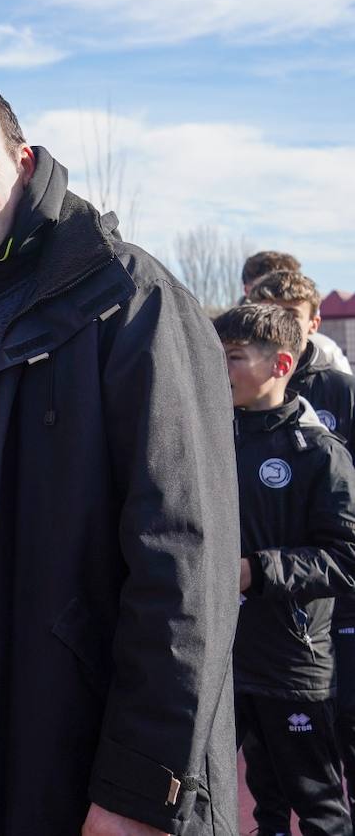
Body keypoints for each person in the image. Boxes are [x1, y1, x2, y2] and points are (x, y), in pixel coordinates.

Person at [0, 79, 240, 834]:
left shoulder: (130, 297)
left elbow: (187, 562)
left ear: (23, 163)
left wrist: (140, 785)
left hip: (83, 767)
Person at [215, 303, 355, 834]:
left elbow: (347, 558)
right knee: (255, 801)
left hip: (292, 664)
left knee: (318, 806)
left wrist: (258, 571)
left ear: (280, 365)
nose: (220, 369)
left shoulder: (319, 453)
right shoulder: (209, 437)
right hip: (223, 658)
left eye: (233, 357)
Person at [242, 251, 351, 374]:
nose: (281, 288)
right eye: (268, 284)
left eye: (289, 281)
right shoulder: (226, 339)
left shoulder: (326, 351)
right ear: (248, 290)